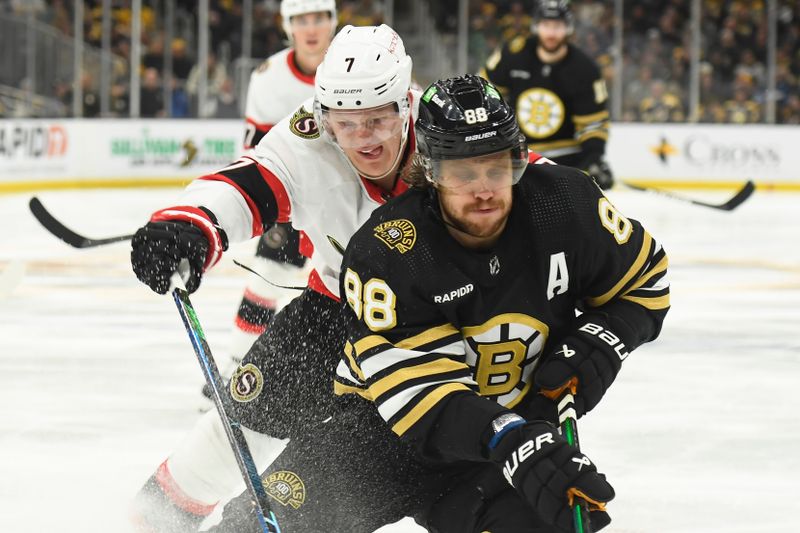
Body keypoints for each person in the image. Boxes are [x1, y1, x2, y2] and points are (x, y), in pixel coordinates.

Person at [206, 74, 669, 533]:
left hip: (505, 448)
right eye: (462, 173)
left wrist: (603, 342)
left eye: (497, 167)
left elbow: (644, 282)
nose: (484, 189)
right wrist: (512, 439)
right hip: (380, 441)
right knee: (253, 528)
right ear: (429, 170)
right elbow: (420, 397)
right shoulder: (387, 249)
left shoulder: (566, 205)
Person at [127, 24, 420, 531]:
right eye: (346, 124)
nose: (364, 139)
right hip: (336, 310)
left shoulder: (449, 135)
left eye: (377, 120)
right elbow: (247, 183)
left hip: (439, 328)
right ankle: (152, 523)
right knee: (235, 428)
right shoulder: (307, 135)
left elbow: (533, 194)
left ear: (406, 105)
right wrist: (192, 226)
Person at [218, 0, 338, 386]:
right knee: (268, 274)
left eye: (319, 17)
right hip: (294, 196)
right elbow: (255, 150)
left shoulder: (360, 61)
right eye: (302, 20)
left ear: (332, 21)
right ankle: (236, 364)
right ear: (288, 26)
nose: (312, 28)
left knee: (345, 288)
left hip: (351, 198)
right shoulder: (269, 77)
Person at [482, 0, 614, 189]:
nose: (551, 33)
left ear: (568, 28)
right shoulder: (513, 54)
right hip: (519, 156)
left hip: (565, 161)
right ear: (536, 26)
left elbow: (593, 124)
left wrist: (593, 159)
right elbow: (486, 94)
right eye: (546, 25)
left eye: (558, 26)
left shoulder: (585, 69)